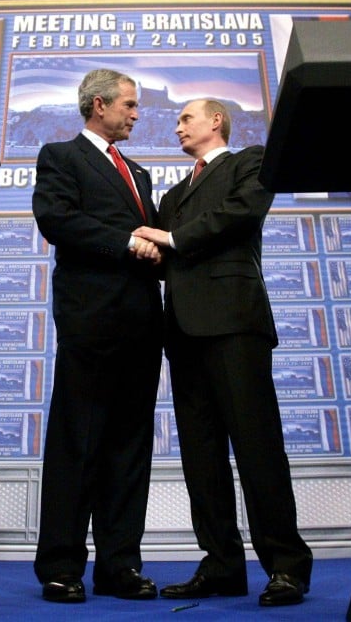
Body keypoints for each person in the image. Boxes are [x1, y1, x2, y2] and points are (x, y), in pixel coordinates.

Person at [133, 99, 313, 607]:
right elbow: (162, 251)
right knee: (201, 456)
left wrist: (168, 237)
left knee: (257, 448)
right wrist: (149, 246)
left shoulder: (250, 162)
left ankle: (286, 567)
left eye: (185, 118)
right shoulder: (173, 193)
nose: (177, 126)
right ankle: (221, 565)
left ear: (216, 121)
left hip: (235, 325)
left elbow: (241, 213)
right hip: (184, 332)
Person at [31, 69, 164, 604]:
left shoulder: (139, 173)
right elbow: (56, 220)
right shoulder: (61, 156)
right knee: (77, 443)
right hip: (91, 321)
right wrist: (128, 241)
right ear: (100, 105)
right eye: (129, 105)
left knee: (130, 448)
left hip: (141, 324)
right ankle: (61, 567)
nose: (136, 114)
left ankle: (120, 567)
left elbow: (153, 240)